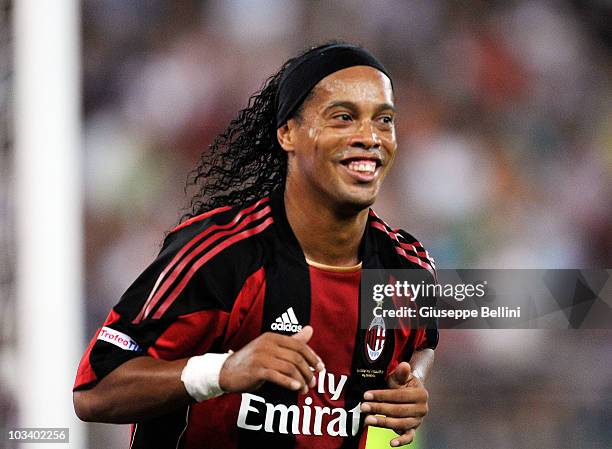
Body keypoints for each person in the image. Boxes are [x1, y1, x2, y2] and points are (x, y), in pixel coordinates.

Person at [73, 42, 437, 449]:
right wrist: (223, 371)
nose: (370, 137)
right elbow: (95, 389)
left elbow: (422, 343)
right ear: (288, 133)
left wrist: (414, 384)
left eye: (384, 120)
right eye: (343, 117)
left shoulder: (406, 269)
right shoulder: (221, 256)